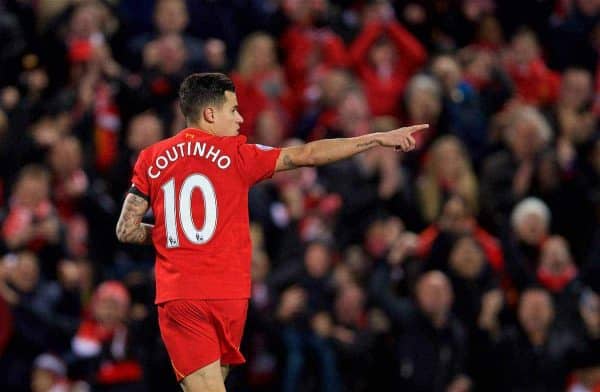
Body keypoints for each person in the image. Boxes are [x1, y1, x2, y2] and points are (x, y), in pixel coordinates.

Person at [115, 72, 426, 392]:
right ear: (210, 114)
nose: (240, 118)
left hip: (185, 291)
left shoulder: (152, 159)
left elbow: (126, 229)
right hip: (229, 294)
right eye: (232, 110)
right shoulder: (239, 154)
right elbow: (307, 154)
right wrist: (375, 138)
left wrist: (174, 236)